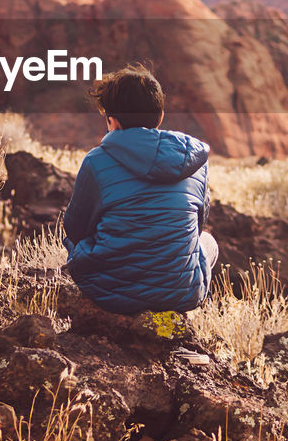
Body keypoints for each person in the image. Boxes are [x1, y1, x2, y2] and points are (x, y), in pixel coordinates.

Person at [62, 63, 218, 315]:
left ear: (112, 121)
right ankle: (183, 321)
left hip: (109, 292)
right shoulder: (196, 162)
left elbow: (76, 229)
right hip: (182, 292)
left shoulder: (96, 161)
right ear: (160, 117)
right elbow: (197, 225)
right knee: (208, 242)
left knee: (75, 243)